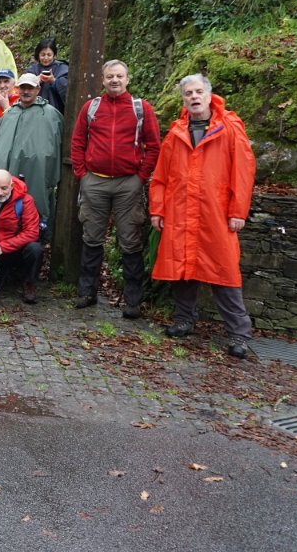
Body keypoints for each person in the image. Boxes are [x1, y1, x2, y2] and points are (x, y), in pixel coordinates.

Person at [150, 74, 256, 359]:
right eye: (188, 93)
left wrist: (237, 212)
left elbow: (243, 174)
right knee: (182, 269)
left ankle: (239, 333)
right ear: (183, 99)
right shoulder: (176, 133)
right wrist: (158, 210)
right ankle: (184, 319)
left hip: (216, 213)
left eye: (198, 92)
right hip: (181, 212)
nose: (194, 97)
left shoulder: (230, 129)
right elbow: (160, 177)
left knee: (224, 272)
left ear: (209, 96)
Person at [69, 60, 161, 315]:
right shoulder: (92, 107)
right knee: (92, 237)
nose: (114, 80)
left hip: (127, 182)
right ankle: (87, 292)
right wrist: (82, 174)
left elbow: (153, 146)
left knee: (130, 240)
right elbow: (77, 141)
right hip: (95, 181)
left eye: (119, 76)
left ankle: (133, 300)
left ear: (127, 79)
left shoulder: (141, 109)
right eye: (110, 76)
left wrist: (141, 176)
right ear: (103, 79)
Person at [0, 72, 62, 233]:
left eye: (30, 88)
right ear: (17, 89)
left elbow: (57, 146)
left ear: (38, 89)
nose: (26, 92)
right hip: (8, 174)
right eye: (23, 88)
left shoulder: (50, 114)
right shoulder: (10, 113)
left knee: (34, 213)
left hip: (37, 175)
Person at [0, 168, 43, 304]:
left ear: (11, 186)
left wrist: (2, 248)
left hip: (15, 249)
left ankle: (29, 284)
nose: (0, 193)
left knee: (35, 249)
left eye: (4, 188)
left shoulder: (25, 201)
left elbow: (32, 232)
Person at [25, 39, 69, 114]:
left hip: (57, 110)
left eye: (49, 55)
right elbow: (24, 90)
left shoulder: (63, 68)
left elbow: (68, 91)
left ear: (54, 55)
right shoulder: (32, 70)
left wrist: (54, 81)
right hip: (35, 111)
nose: (46, 58)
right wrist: (35, 80)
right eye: (43, 55)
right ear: (38, 55)